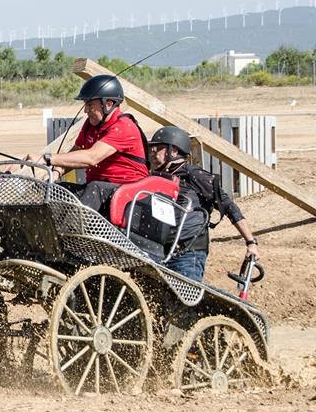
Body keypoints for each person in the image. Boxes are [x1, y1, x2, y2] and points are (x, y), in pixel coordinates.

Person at [149, 125, 260, 282]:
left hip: (188, 254)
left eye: (158, 148)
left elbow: (229, 207)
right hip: (161, 251)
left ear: (173, 151)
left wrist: (251, 243)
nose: (152, 152)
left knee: (184, 304)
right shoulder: (155, 178)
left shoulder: (196, 176)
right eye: (151, 148)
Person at [24, 75, 149, 213]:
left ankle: (69, 233)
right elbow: (75, 154)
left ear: (108, 104)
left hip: (128, 195)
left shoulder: (124, 126)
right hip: (99, 192)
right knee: (55, 190)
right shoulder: (91, 125)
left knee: (94, 188)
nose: (85, 110)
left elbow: (91, 158)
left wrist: (46, 158)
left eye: (90, 105)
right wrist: (56, 173)